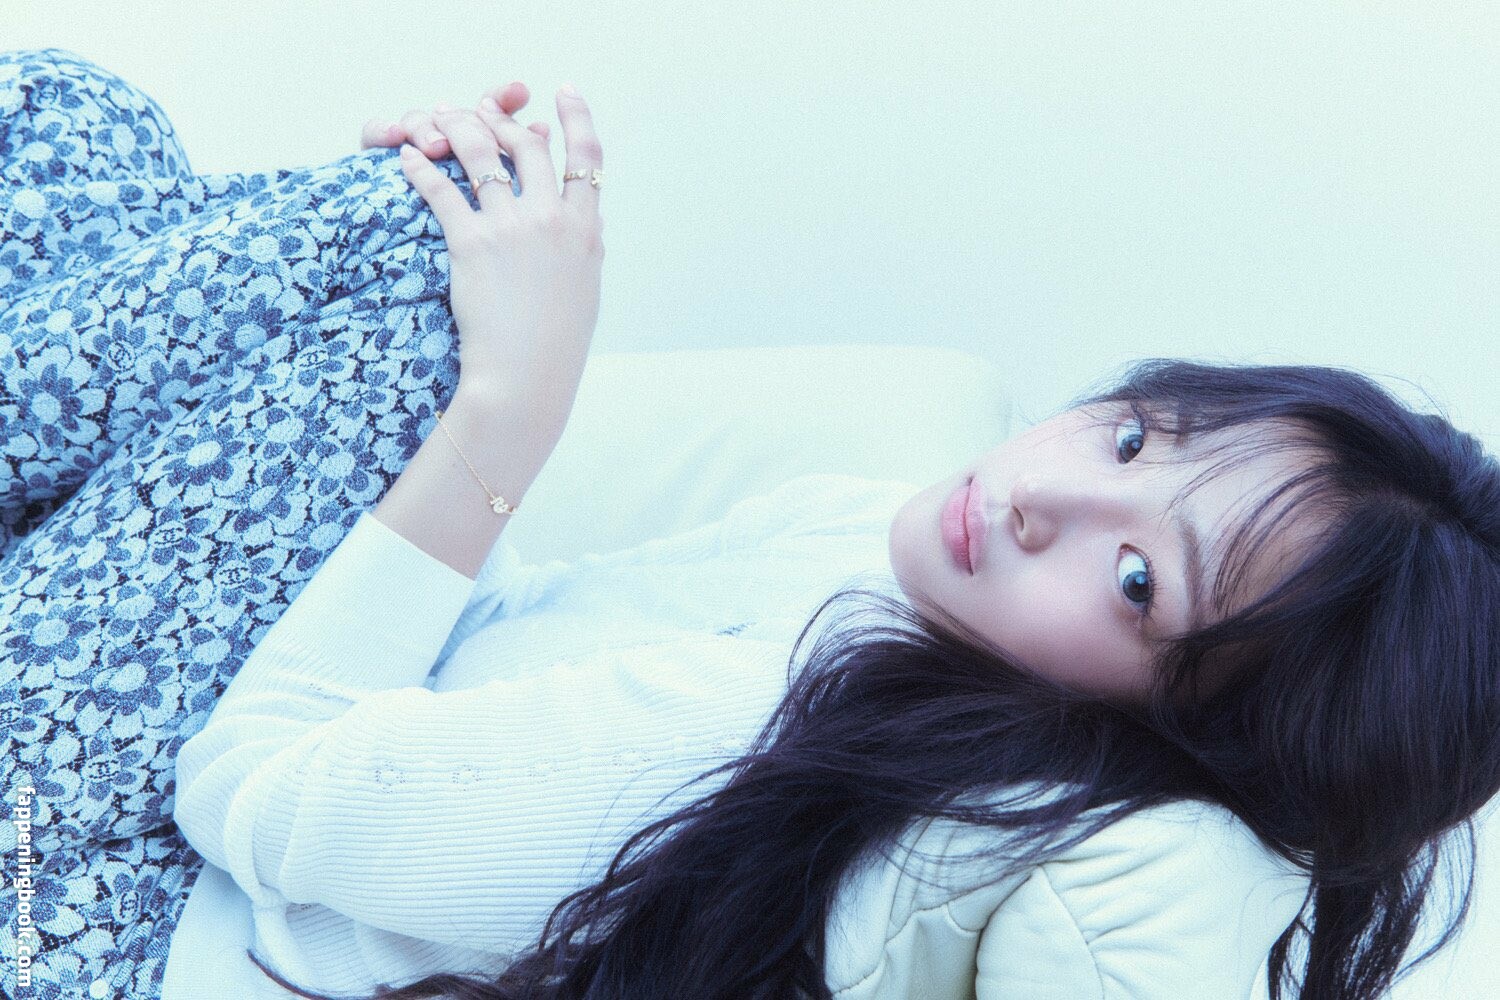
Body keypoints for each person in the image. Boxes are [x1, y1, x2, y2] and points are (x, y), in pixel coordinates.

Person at [2, 47, 1496, 1000]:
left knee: (401, 250)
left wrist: (505, 406)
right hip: (131, 802)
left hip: (88, 903)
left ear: (1183, 726)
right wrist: (402, 363)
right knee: (90, 137)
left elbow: (251, 791)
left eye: (1134, 581)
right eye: (1133, 436)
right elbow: (485, 634)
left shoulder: (775, 727)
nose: (1044, 495)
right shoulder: (898, 572)